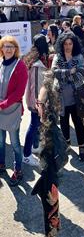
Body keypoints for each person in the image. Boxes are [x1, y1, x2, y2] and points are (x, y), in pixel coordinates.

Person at [32, 71, 64, 236]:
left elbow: (46, 171)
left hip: (50, 182)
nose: (37, 105)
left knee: (50, 203)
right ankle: (55, 227)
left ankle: (52, 232)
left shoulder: (47, 134)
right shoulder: (54, 129)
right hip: (53, 175)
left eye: (39, 102)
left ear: (45, 107)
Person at [52, 33, 84, 161]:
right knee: (64, 124)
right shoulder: (58, 56)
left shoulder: (78, 57)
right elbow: (54, 73)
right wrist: (70, 71)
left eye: (70, 43)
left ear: (74, 44)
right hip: (61, 98)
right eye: (65, 44)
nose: (68, 46)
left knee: (79, 123)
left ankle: (82, 147)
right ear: (61, 45)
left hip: (76, 97)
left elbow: (81, 74)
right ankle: (67, 145)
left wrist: (64, 74)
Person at [0, 35, 28, 182]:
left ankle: (18, 170)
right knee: (0, 140)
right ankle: (2, 164)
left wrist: (3, 104)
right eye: (6, 46)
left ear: (15, 49)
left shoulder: (20, 66)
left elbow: (19, 92)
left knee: (15, 143)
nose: (8, 49)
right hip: (0, 109)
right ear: (2, 49)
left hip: (12, 109)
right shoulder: (0, 63)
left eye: (11, 46)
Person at [22, 35, 50, 168]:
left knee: (35, 125)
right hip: (36, 101)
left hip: (35, 99)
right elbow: (36, 86)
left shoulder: (34, 58)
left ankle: (33, 147)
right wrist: (38, 104)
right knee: (33, 126)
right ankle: (26, 155)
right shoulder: (37, 64)